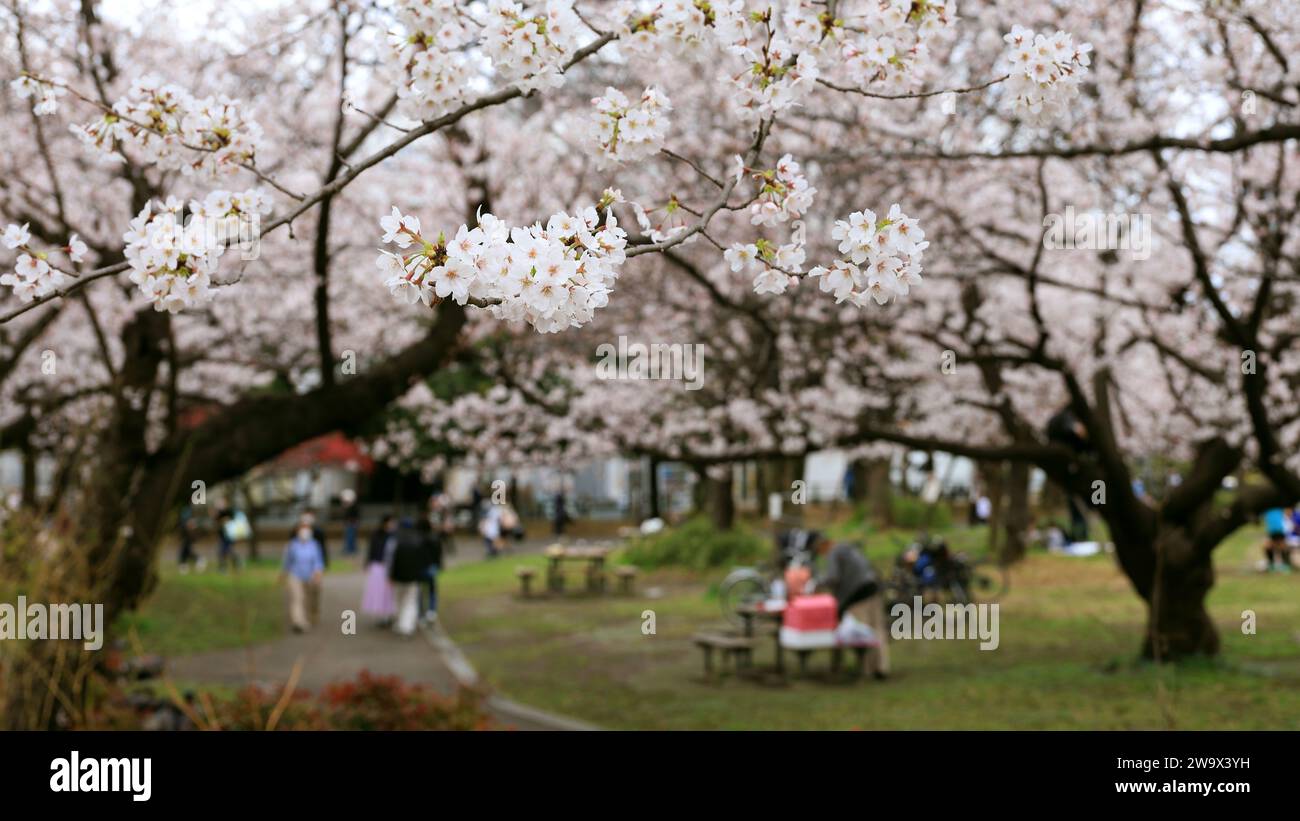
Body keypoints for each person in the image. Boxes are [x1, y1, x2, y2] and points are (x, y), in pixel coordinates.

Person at [813, 537, 890, 679]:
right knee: (877, 629)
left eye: (820, 551)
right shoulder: (850, 549)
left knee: (863, 631)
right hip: (874, 588)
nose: (821, 554)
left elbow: (833, 577)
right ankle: (881, 667)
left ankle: (867, 668)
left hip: (857, 594)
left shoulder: (834, 552)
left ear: (824, 545)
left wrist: (817, 584)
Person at [1045, 405, 1092, 543]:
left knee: (1081, 504)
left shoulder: (1061, 419)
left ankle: (1081, 535)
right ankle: (1080, 536)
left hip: (1076, 472)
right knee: (1078, 505)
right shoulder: (1068, 419)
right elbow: (1075, 430)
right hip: (1073, 470)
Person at [388, 518, 432, 636]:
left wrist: (390, 576)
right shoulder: (418, 541)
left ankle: (400, 623)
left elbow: (392, 562)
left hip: (399, 577)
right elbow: (424, 561)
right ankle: (407, 626)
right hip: (413, 578)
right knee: (410, 602)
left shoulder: (396, 541)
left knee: (399, 601)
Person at [280, 523, 324, 633]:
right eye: (302, 529)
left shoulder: (314, 545)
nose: (304, 532)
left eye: (307, 529)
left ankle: (313, 615)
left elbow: (318, 561)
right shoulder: (292, 545)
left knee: (313, 598)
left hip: (311, 576)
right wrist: (283, 574)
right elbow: (287, 562)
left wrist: (317, 572)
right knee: (297, 598)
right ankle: (298, 622)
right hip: (295, 575)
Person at [361, 515, 397, 626]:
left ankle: (388, 615)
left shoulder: (393, 536)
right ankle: (383, 616)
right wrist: (368, 563)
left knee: (389, 592)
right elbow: (371, 550)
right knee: (380, 592)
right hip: (378, 566)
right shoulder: (377, 535)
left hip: (388, 566)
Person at [419, 518, 443, 625]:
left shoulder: (418, 539)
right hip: (432, 567)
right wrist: (439, 565)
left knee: (420, 591)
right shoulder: (435, 538)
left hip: (420, 567)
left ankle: (421, 614)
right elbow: (439, 554)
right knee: (432, 589)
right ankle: (432, 611)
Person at [1263, 507, 1292, 572]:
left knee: (1282, 546)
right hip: (1271, 531)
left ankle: (1286, 565)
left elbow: (1289, 512)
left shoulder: (1279, 507)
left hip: (1280, 530)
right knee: (1269, 546)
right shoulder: (1267, 508)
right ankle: (1272, 565)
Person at [341, 489, 360, 558]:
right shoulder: (348, 506)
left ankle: (350, 549)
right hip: (349, 523)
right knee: (349, 536)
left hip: (352, 523)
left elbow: (355, 516)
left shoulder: (354, 507)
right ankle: (351, 548)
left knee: (350, 536)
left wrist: (352, 521)